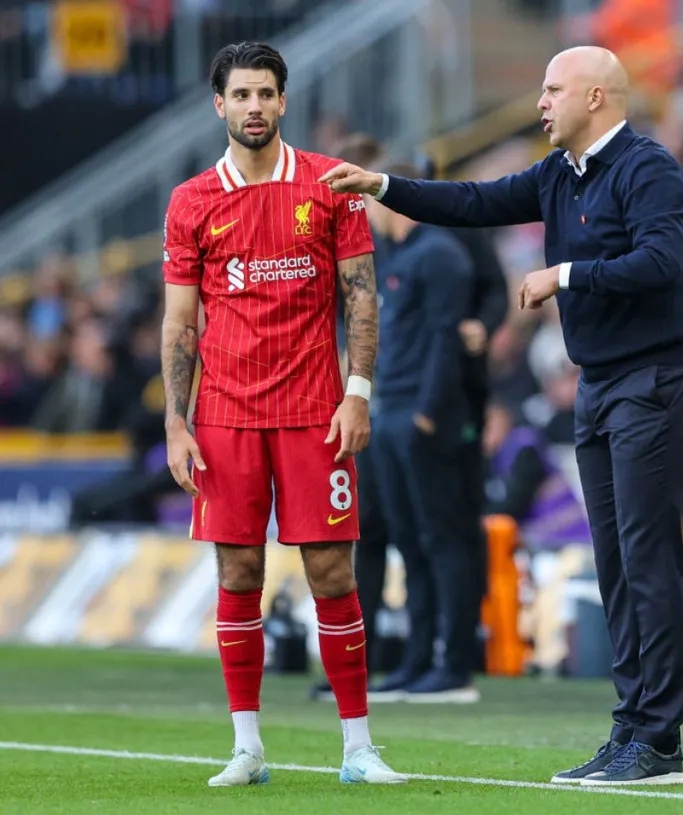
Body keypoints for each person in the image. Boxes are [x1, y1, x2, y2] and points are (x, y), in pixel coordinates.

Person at [321, 45, 683, 786]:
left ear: (595, 97)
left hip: (653, 378)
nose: (540, 102)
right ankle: (631, 728)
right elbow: (474, 201)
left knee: (645, 556)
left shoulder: (647, 168)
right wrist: (384, 184)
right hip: (600, 383)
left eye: (553, 89)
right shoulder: (561, 173)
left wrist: (564, 274)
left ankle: (659, 740)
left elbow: (662, 263)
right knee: (615, 562)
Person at [160, 41, 403, 788]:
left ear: (283, 101)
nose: (255, 106)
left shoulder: (330, 185)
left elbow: (361, 296)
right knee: (238, 569)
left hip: (314, 411)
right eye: (241, 95)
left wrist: (358, 392)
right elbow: (180, 323)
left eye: (266, 93)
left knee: (331, 570)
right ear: (220, 105)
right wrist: (176, 421)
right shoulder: (192, 201)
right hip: (224, 415)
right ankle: (247, 747)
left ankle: (358, 747)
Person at [362, 162, 481, 702]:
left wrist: (427, 412)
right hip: (390, 410)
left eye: (370, 200)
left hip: (420, 414)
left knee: (441, 537)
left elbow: (442, 337)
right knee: (409, 540)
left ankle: (452, 663)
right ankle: (416, 659)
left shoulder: (439, 254)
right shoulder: (400, 256)